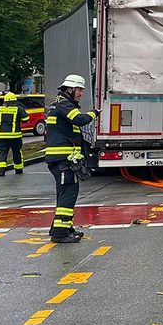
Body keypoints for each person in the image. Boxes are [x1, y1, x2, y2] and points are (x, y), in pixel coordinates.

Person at [45, 74, 97, 243]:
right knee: (68, 192)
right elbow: (80, 119)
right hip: (63, 159)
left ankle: (61, 227)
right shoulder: (64, 104)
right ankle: (60, 234)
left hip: (61, 158)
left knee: (64, 192)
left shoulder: (59, 104)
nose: (81, 93)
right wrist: (94, 114)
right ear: (70, 89)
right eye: (79, 90)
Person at [0, 92, 29, 176]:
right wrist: (19, 120)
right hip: (14, 136)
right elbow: (26, 118)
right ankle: (18, 169)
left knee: (2, 152)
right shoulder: (19, 109)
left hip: (1, 136)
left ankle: (1, 170)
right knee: (17, 152)